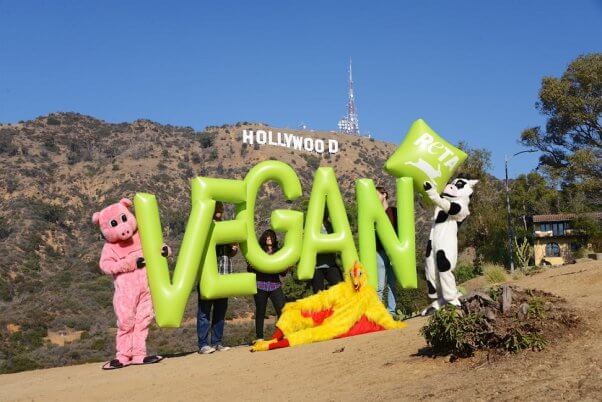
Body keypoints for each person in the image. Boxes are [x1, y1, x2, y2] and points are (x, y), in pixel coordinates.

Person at [197, 201, 238, 354]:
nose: (219, 209)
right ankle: (203, 344)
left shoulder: (227, 228)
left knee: (220, 311)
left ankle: (217, 342)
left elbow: (231, 253)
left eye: (221, 207)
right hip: (207, 276)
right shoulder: (202, 225)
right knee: (204, 312)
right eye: (216, 207)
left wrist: (234, 249)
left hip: (224, 274)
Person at [247, 229, 287, 342]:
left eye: (271, 236)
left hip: (275, 285)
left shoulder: (279, 252)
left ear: (274, 239)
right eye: (267, 236)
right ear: (263, 238)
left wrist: (287, 267)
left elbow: (282, 273)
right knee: (260, 311)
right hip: (260, 285)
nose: (269, 238)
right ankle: (259, 337)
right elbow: (250, 269)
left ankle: (283, 334)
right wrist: (251, 266)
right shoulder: (258, 252)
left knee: (282, 310)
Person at [375, 186, 398, 316]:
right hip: (379, 251)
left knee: (392, 283)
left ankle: (391, 311)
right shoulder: (375, 214)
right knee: (379, 285)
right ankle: (377, 314)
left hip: (394, 252)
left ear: (385, 194)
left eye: (376, 194)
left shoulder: (394, 212)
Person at [311, 208, 343, 293]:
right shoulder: (313, 227)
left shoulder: (332, 226)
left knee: (340, 287)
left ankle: (329, 290)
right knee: (317, 294)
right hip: (317, 267)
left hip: (331, 265)